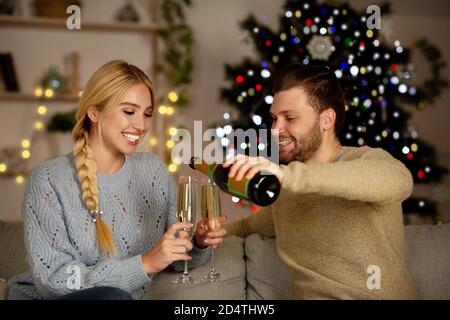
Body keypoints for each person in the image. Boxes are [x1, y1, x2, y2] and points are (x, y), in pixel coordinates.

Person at [5, 60, 226, 300]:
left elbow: (174, 257)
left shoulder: (153, 171)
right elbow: (55, 281)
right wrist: (143, 265)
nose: (141, 125)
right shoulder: (47, 179)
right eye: (129, 111)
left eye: (147, 114)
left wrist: (199, 242)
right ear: (94, 111)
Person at [223, 64, 416, 299]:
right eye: (274, 119)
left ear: (326, 119)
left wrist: (287, 175)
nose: (275, 130)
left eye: (290, 118)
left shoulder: (366, 161)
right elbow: (247, 227)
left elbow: (400, 180)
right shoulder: (287, 191)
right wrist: (208, 233)